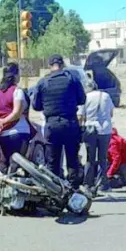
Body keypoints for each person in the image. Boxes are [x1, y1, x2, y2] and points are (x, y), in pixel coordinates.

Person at [31, 54, 87, 186]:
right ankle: (73, 190)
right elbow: (82, 99)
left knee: (52, 162)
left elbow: (36, 106)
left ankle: (55, 190)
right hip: (70, 124)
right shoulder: (72, 79)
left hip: (52, 125)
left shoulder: (43, 82)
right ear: (62, 64)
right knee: (72, 160)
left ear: (50, 66)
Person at [0, 63, 32, 171]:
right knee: (18, 163)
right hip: (19, 132)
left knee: (5, 161)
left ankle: (2, 184)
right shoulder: (17, 91)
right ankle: (15, 185)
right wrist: (5, 120)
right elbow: (16, 113)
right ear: (15, 76)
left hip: (2, 134)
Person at [78, 78, 115, 192]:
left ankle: (88, 184)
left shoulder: (86, 97)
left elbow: (80, 116)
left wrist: (80, 129)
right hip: (105, 129)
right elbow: (111, 113)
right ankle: (103, 183)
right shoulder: (106, 96)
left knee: (90, 158)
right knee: (103, 158)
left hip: (90, 129)